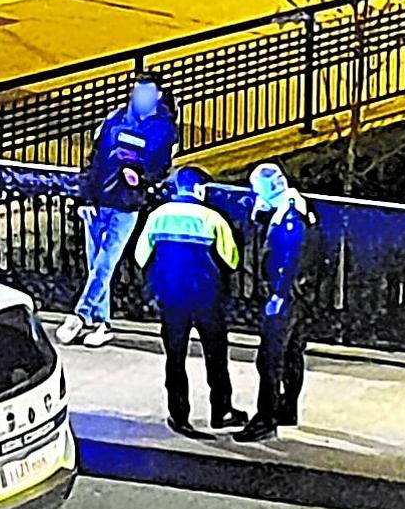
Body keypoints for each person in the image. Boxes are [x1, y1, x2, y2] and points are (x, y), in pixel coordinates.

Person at [58, 72, 179, 348]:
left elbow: (160, 167)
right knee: (95, 265)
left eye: (146, 92)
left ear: (158, 96)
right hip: (98, 202)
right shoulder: (115, 119)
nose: (139, 98)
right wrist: (85, 199)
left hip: (126, 205)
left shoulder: (164, 129)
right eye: (137, 92)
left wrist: (143, 179)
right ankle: (102, 323)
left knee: (105, 262)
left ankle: (80, 314)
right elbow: (94, 160)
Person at [134, 166, 247, 438]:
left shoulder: (157, 216)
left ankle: (180, 415)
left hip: (172, 299)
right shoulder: (212, 219)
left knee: (175, 359)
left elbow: (140, 256)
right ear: (199, 189)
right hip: (207, 299)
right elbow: (231, 259)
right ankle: (221, 410)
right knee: (216, 357)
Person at [235, 164, 319, 444]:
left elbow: (289, 261)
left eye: (257, 189)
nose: (254, 194)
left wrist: (278, 295)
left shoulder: (290, 219)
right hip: (301, 295)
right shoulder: (297, 208)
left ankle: (266, 417)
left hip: (285, 296)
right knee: (292, 352)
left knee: (269, 358)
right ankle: (287, 408)